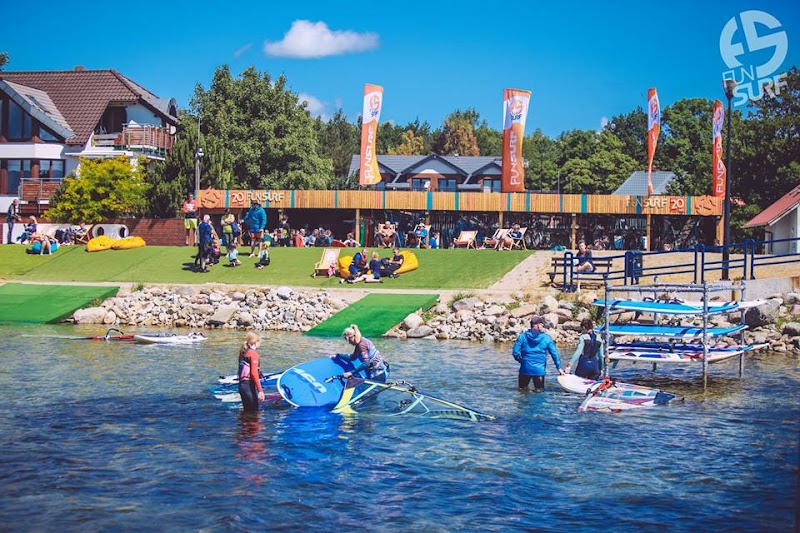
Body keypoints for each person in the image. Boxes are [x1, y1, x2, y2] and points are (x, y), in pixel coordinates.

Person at [512, 315, 564, 392]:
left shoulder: (522, 336)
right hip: (539, 370)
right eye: (541, 324)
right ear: (538, 325)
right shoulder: (546, 338)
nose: (543, 326)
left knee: (522, 392)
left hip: (525, 368)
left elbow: (515, 352)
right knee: (539, 395)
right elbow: (554, 354)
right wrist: (559, 368)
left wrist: (521, 361)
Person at [237, 331, 266, 411]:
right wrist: (260, 391)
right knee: (253, 413)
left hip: (242, 386)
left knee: (246, 413)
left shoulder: (244, 352)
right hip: (248, 386)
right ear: (256, 342)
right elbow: (253, 373)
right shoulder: (253, 354)